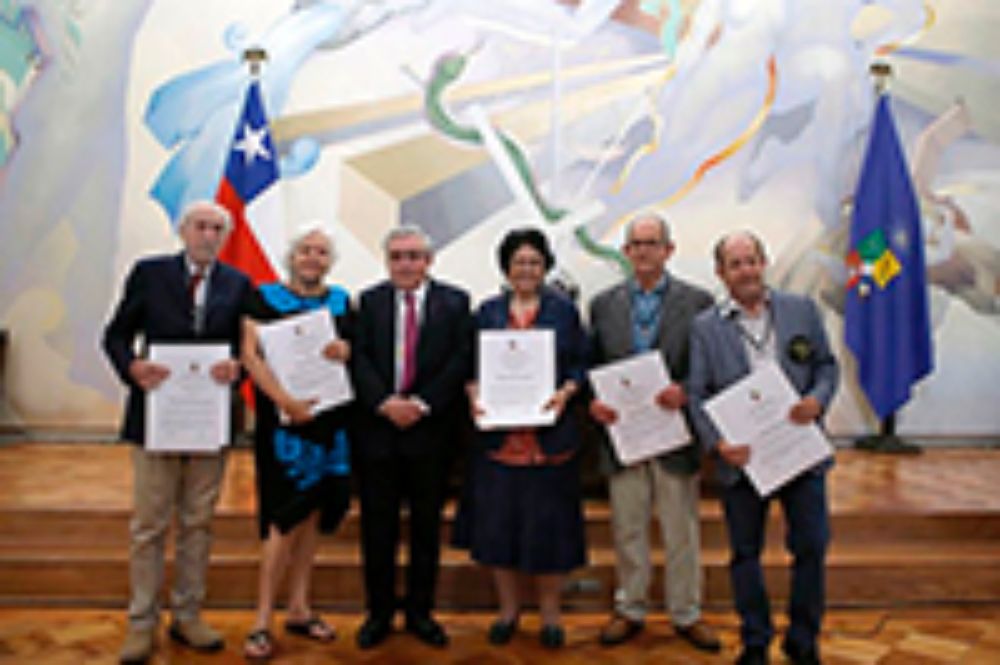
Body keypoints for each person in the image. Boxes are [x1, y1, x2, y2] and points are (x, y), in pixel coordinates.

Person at [102, 201, 251, 665]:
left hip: (210, 419)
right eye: (200, 226)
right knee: (148, 525)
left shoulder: (238, 283)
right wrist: (133, 366)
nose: (208, 235)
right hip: (157, 415)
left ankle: (188, 615)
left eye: (216, 228)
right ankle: (141, 622)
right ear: (184, 231)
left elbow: (249, 346)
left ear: (224, 236)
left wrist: (239, 367)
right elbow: (116, 336)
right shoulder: (149, 273)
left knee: (198, 521)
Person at [687, 231, 838, 665]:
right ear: (721, 273)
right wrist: (717, 444)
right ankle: (755, 640)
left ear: (764, 261)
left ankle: (803, 638)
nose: (746, 270)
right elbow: (697, 394)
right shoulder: (706, 327)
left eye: (751, 260)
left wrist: (818, 400)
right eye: (735, 264)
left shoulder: (801, 309)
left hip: (800, 452)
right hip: (743, 461)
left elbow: (826, 367)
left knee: (811, 546)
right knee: (745, 553)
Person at [588, 212, 721, 652]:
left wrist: (685, 390)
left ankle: (686, 612)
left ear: (669, 250)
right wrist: (595, 401)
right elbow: (593, 367)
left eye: (652, 243)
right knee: (628, 528)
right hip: (623, 435)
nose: (643, 251)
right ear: (625, 253)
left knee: (681, 528)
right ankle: (631, 607)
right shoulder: (603, 305)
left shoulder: (699, 302)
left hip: (674, 432)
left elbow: (709, 368)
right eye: (636, 244)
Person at [459, 227, 588, 649]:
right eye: (519, 263)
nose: (527, 270)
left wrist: (567, 392)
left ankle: (550, 616)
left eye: (534, 262)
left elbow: (582, 367)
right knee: (500, 533)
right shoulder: (488, 313)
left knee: (549, 535)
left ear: (545, 267)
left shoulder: (564, 311)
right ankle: (508, 611)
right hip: (499, 444)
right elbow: (470, 368)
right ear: (507, 268)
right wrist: (475, 393)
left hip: (548, 444)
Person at [350, 225, 472, 649]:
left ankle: (421, 612)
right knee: (377, 531)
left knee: (425, 531)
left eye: (413, 256)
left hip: (431, 434)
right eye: (397, 256)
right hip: (378, 434)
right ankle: (378, 613)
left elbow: (460, 361)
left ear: (428, 260)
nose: (405, 264)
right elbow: (359, 359)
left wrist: (421, 404)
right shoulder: (368, 302)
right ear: (388, 262)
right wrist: (385, 402)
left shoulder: (455, 303)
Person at [240, 226, 354, 660]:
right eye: (306, 250)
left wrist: (345, 349)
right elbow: (251, 355)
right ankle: (261, 621)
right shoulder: (262, 297)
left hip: (330, 422)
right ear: (292, 256)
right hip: (285, 426)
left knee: (313, 518)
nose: (313, 257)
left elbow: (351, 350)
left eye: (321, 252)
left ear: (329, 261)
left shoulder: (343, 300)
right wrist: (284, 399)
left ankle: (300, 608)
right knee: (282, 522)